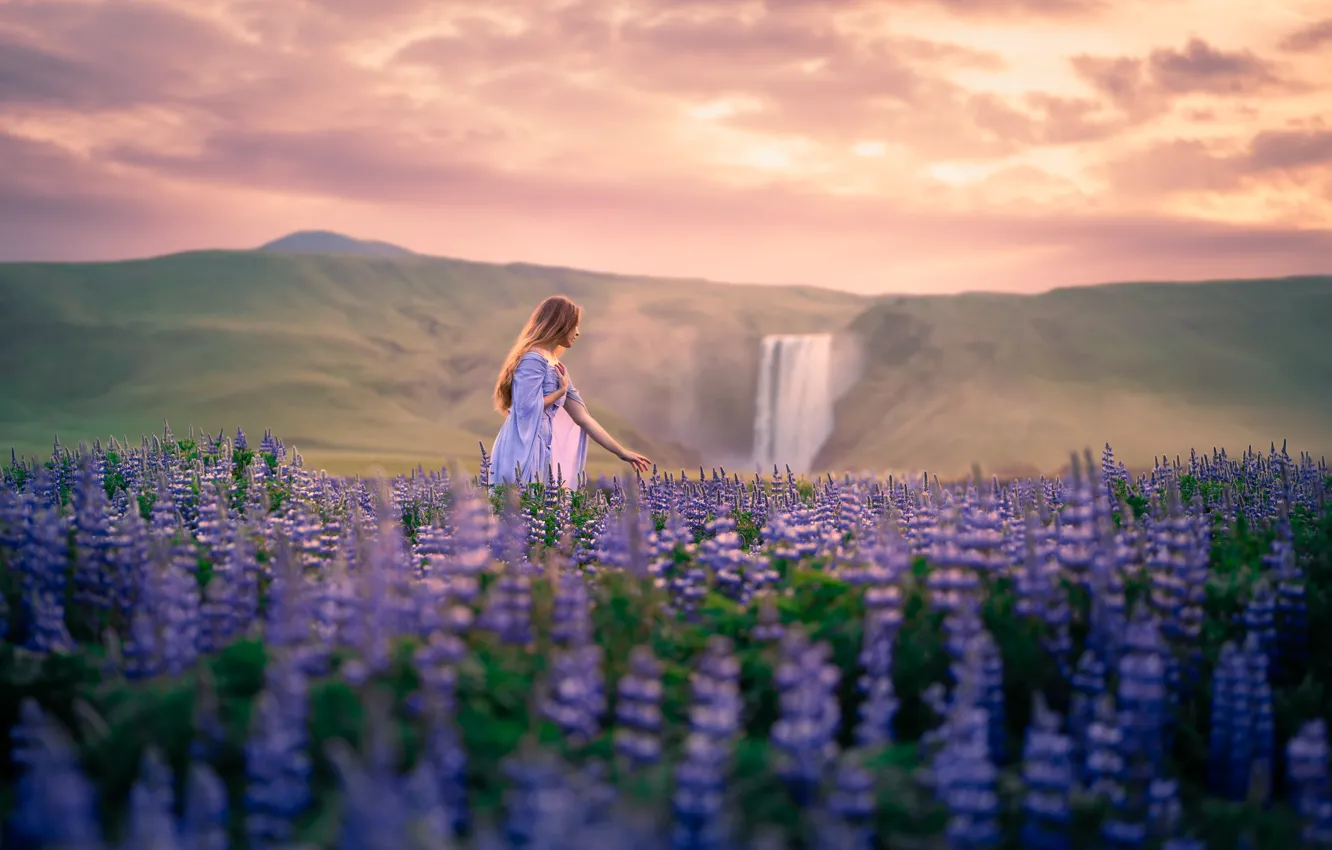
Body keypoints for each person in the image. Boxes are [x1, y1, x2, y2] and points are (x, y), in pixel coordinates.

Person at [490, 295, 653, 486]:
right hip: (522, 445)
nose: (577, 333)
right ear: (560, 324)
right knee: (520, 499)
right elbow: (525, 407)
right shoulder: (533, 359)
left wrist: (621, 452)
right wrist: (559, 393)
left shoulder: (554, 364)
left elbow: (583, 418)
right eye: (574, 326)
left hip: (541, 444)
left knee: (539, 498)